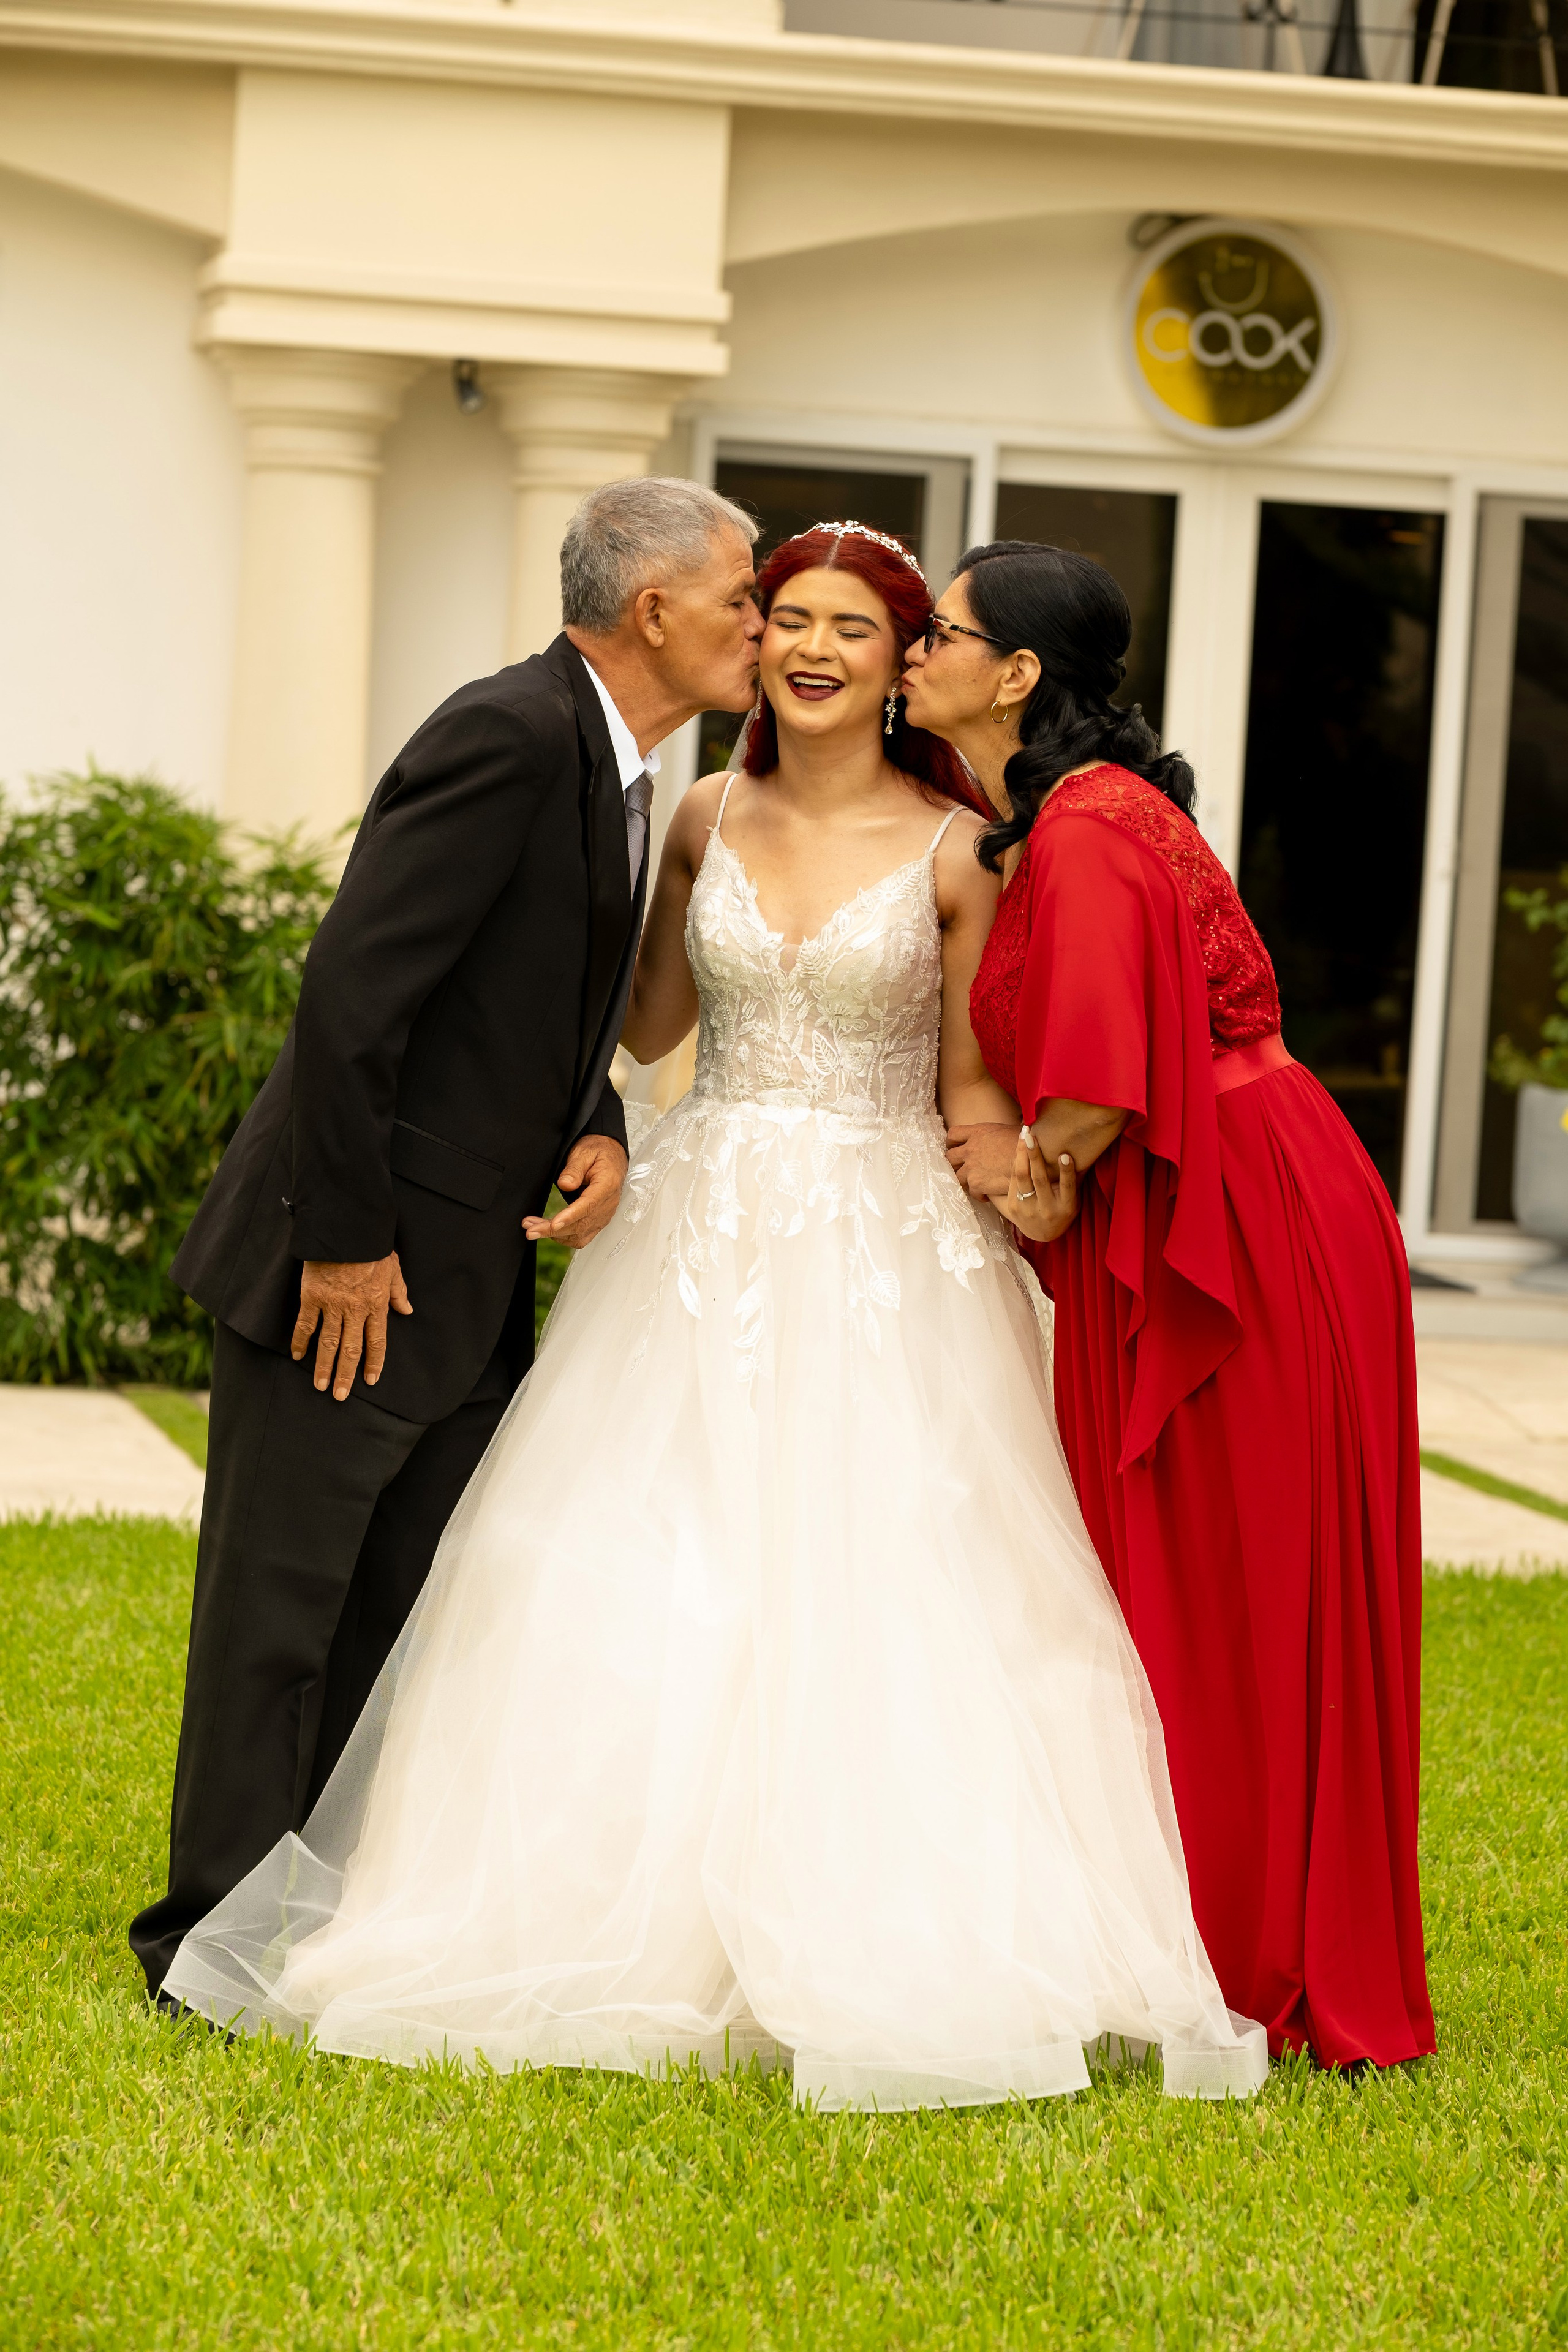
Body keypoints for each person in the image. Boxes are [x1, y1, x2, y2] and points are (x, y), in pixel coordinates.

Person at [160, 523, 1267, 2113]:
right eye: (783, 616)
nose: (807, 646)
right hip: (701, 1222)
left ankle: (885, 1926)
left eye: (853, 628)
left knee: (891, 1577)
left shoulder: (964, 851)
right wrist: (597, 1122)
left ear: (906, 667)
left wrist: (1031, 1196)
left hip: (884, 1240)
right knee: (620, 1561)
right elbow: (625, 1020)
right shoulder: (690, 815)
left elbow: (970, 1085)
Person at [130, 478, 766, 2005]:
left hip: (465, 1285)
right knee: (280, 1619)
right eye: (744, 597)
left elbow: (522, 1006)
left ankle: (316, 1917)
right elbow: (354, 992)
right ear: (653, 610)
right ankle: (207, 1944)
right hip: (351, 1269)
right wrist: (345, 1247)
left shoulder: (614, 766)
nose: (761, 626)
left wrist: (600, 1122)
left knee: (396, 1617)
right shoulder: (508, 734)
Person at [902, 539, 1434, 2075]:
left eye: (938, 632)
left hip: (1226, 1212)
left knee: (1226, 1576)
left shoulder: (1082, 828)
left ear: (1016, 674)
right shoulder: (1088, 812)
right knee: (1234, 1577)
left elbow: (1093, 1082)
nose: (913, 652)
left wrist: (1032, 1181)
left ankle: (1252, 1946)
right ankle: (1238, 1921)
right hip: (1248, 1179)